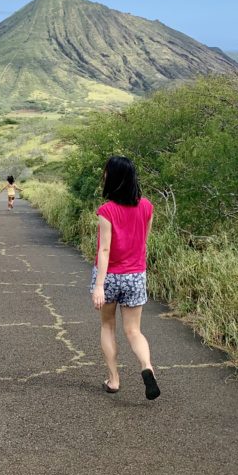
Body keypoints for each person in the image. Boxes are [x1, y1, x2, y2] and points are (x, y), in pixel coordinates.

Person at [90, 156, 160, 400]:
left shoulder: (106, 211)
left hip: (110, 276)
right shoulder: (147, 206)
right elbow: (144, 241)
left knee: (107, 326)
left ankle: (114, 380)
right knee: (134, 331)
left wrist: (99, 285)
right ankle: (147, 367)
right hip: (135, 276)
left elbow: (105, 250)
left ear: (114, 177)